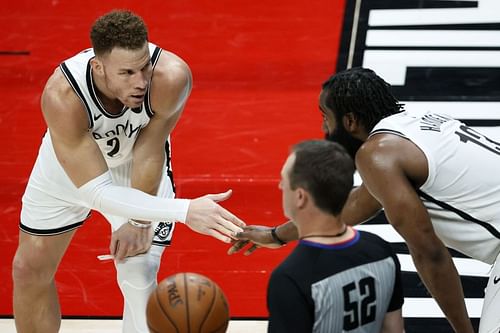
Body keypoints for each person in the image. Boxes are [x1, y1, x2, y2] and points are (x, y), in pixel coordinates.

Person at [12, 10, 245, 333]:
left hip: (134, 165)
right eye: (126, 73)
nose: (141, 81)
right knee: (28, 270)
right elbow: (95, 191)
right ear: (98, 67)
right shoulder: (63, 96)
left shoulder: (171, 77)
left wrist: (139, 220)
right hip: (67, 170)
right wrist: (187, 210)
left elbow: (149, 154)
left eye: (144, 66)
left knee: (137, 272)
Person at [229, 67, 500, 333]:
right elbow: (357, 204)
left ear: (350, 122)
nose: (323, 126)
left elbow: (429, 254)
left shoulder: (376, 154)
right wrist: (276, 235)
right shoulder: (415, 122)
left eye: (326, 116)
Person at [267, 139, 404, 333]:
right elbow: (395, 330)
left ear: (300, 197)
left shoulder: (290, 278)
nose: (280, 186)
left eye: (284, 180)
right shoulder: (381, 250)